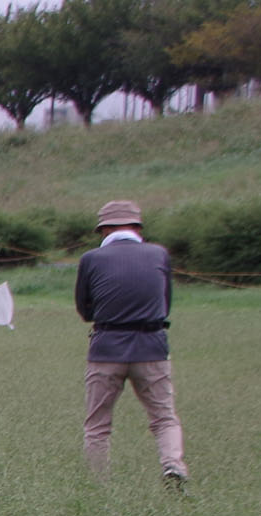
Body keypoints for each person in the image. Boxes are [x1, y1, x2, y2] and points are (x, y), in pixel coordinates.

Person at [74, 199, 186, 488]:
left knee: (97, 425)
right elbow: (166, 304)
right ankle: (172, 465)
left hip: (106, 348)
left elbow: (85, 311)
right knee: (164, 418)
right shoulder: (159, 254)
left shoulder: (91, 259)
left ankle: (97, 483)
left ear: (103, 230)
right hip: (152, 346)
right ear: (137, 227)